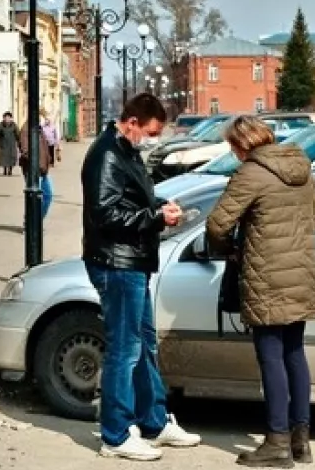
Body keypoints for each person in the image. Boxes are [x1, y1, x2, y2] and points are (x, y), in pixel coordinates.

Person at [81, 92, 201, 461]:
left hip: (132, 261)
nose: (151, 140)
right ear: (132, 122)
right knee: (125, 348)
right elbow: (105, 215)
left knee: (144, 343)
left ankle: (154, 422)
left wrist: (159, 209)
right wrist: (155, 219)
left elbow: (129, 202)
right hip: (116, 263)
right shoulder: (107, 155)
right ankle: (115, 435)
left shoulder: (125, 152)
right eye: (149, 133)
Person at [206, 115, 315, 468]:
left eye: (233, 146)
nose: (233, 153)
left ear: (243, 144)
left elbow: (217, 224)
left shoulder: (250, 173)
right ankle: (301, 441)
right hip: (301, 272)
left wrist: (232, 248)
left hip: (266, 275)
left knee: (270, 356)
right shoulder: (301, 166)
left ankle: (276, 442)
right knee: (294, 353)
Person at [40, 116, 62, 217]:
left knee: (47, 196)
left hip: (43, 168)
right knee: (39, 196)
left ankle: (36, 221)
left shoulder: (49, 128)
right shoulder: (33, 129)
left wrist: (58, 145)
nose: (46, 121)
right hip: (37, 169)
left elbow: (55, 136)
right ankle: (32, 222)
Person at [0, 111, 20, 176]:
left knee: (11, 158)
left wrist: (19, 142)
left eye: (8, 118)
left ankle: (10, 170)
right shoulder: (0, 125)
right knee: (4, 158)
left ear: (11, 118)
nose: (7, 119)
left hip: (11, 144)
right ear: (3, 118)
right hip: (3, 144)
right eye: (6, 118)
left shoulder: (14, 125)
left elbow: (17, 134)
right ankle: (5, 170)